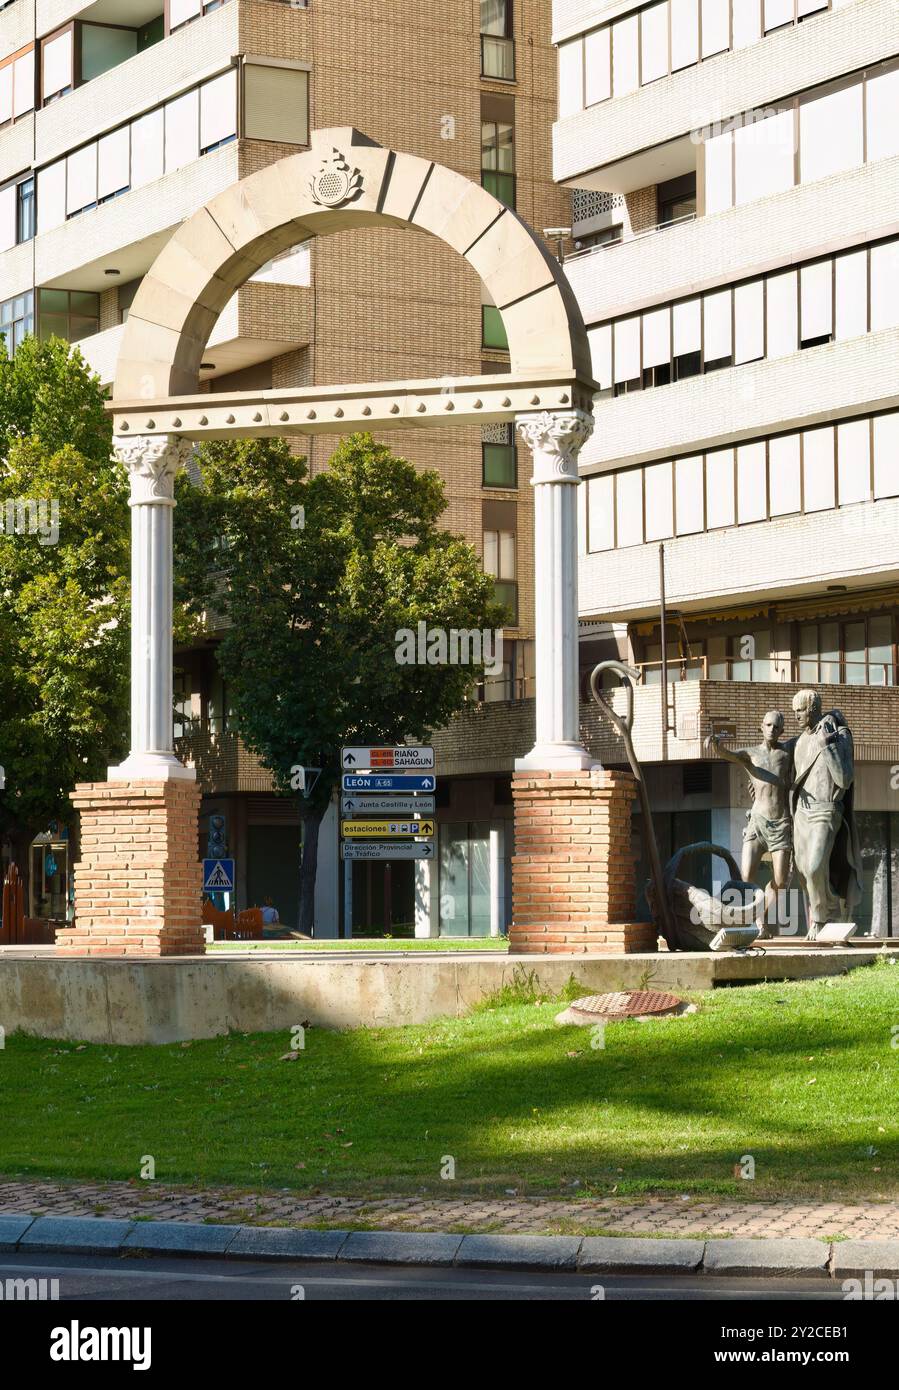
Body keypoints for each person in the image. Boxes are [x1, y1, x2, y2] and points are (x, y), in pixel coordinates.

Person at [707, 710, 792, 936]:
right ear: (761, 727)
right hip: (756, 822)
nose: (772, 729)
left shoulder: (787, 753)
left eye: (776, 726)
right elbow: (727, 754)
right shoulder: (750, 754)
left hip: (780, 823)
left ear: (782, 730)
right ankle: (760, 924)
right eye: (768, 725)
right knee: (745, 878)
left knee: (781, 881)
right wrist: (716, 745)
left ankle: (761, 907)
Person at [789, 689, 862, 939]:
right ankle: (832, 909)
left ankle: (820, 919)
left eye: (801, 710)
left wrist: (827, 748)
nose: (797, 716)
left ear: (814, 709)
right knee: (803, 869)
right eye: (794, 711)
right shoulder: (799, 742)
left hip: (826, 810)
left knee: (814, 866)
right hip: (802, 813)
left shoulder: (839, 735)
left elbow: (845, 778)